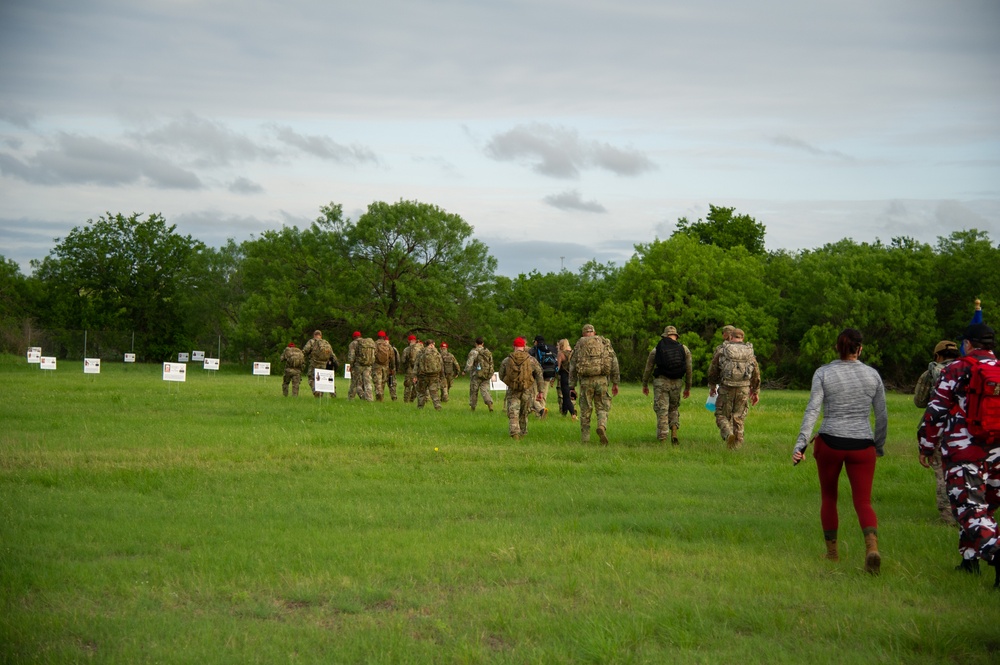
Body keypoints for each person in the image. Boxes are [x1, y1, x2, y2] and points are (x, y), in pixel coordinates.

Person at [793, 328, 887, 574]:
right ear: (860, 349)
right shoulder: (872, 375)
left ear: (838, 348)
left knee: (829, 497)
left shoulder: (824, 373)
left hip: (830, 442)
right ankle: (871, 547)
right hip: (862, 445)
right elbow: (882, 414)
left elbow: (812, 410)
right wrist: (878, 445)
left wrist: (801, 444)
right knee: (863, 501)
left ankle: (832, 553)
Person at [918, 322, 999, 581]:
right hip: (997, 451)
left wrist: (926, 446)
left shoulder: (956, 369)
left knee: (970, 510)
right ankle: (968, 561)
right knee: (982, 508)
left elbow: (936, 411)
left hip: (965, 452)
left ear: (968, 344)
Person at [914, 339, 961, 524]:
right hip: (967, 430)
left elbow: (919, 401)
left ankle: (948, 516)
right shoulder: (968, 371)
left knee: (942, 473)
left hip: (940, 428)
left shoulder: (932, 372)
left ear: (937, 356)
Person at [707, 328, 760, 449]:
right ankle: (738, 446)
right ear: (742, 338)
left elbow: (713, 370)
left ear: (731, 337)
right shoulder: (749, 351)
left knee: (721, 415)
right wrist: (755, 391)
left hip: (726, 387)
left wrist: (712, 386)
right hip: (743, 388)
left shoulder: (723, 350)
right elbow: (756, 373)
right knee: (739, 417)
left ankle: (728, 433)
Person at [568, 323, 619, 445]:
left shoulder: (580, 344)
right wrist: (615, 382)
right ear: (594, 332)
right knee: (602, 407)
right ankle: (601, 426)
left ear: (583, 334)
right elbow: (614, 361)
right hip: (602, 380)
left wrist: (572, 386)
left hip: (585, 381)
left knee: (585, 409)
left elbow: (572, 365)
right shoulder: (603, 342)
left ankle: (585, 439)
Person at [642, 325, 692, 445]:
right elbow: (689, 369)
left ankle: (663, 438)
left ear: (665, 335)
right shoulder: (684, 349)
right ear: (676, 336)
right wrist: (688, 387)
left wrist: (645, 384)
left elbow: (648, 368)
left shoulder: (656, 349)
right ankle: (674, 430)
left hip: (661, 382)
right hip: (677, 383)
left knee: (662, 410)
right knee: (674, 408)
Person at [498, 337, 545, 440]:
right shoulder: (531, 360)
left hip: (513, 390)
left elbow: (501, 375)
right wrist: (540, 391)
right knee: (524, 413)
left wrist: (510, 382)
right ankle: (523, 432)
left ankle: (515, 432)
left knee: (513, 412)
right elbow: (539, 374)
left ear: (513, 346)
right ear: (524, 346)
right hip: (527, 390)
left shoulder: (507, 360)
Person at [530, 335, 559, 419]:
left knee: (535, 395)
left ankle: (540, 411)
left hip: (536, 376)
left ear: (536, 341)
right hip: (548, 375)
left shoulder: (533, 349)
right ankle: (542, 412)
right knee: (543, 395)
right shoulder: (549, 348)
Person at [302, 330, 337, 398]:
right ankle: (333, 393)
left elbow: (305, 350)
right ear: (321, 336)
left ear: (314, 335)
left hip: (315, 364)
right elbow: (332, 354)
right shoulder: (326, 343)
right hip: (326, 364)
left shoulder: (311, 341)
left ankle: (316, 392)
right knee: (327, 379)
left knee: (311, 378)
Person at [464, 337, 495, 413]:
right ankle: (489, 404)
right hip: (486, 374)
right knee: (485, 390)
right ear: (483, 343)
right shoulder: (487, 352)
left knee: (474, 391)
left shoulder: (474, 352)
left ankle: (473, 407)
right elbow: (491, 363)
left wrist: (465, 371)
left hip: (476, 375)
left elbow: (470, 363)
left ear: (475, 343)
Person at [412, 339, 444, 410]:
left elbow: (416, 365)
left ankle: (420, 408)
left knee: (421, 393)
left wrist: (414, 376)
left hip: (422, 376)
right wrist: (442, 376)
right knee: (434, 393)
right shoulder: (437, 352)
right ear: (433, 344)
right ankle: (438, 408)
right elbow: (441, 365)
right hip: (434, 376)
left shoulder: (421, 352)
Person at [556, 338, 576, 421]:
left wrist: (554, 375)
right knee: (570, 394)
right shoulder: (573, 353)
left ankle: (573, 413)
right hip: (572, 377)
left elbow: (558, 367)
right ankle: (564, 413)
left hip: (564, 376)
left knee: (566, 396)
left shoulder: (561, 354)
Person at [373, 331, 394, 402]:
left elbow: (373, 355)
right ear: (384, 337)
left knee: (377, 382)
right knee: (383, 382)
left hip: (377, 366)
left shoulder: (375, 344)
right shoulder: (388, 345)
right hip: (386, 366)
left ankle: (379, 397)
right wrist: (392, 367)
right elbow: (392, 357)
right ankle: (381, 397)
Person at [400, 335, 420, 403]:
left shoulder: (406, 349)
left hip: (409, 370)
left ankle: (406, 400)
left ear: (409, 341)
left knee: (408, 386)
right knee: (416, 386)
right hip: (417, 370)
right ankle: (412, 399)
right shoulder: (419, 349)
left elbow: (403, 360)